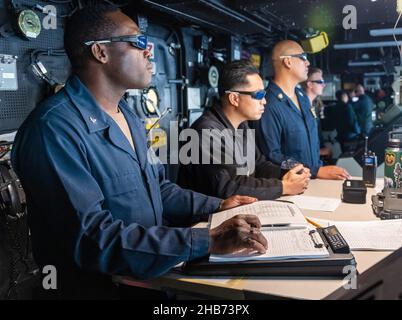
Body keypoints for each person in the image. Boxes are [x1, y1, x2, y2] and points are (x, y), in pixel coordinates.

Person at [11, 4, 268, 299]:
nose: (149, 52)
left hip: (150, 280)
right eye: (138, 42)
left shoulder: (129, 116)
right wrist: (206, 240)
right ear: (101, 52)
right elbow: (93, 237)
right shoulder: (53, 130)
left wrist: (219, 205)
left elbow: (160, 188)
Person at [178, 60, 310, 200]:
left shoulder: (241, 126)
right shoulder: (206, 132)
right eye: (258, 95)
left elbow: (259, 165)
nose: (264, 101)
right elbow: (228, 188)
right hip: (206, 220)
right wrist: (284, 187)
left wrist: (287, 173)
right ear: (234, 98)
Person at [254, 40, 350, 180]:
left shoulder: (302, 97)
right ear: (288, 62)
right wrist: (314, 171)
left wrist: (317, 169)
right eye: (303, 58)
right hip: (292, 185)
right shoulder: (269, 104)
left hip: (314, 180)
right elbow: (272, 156)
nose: (308, 63)